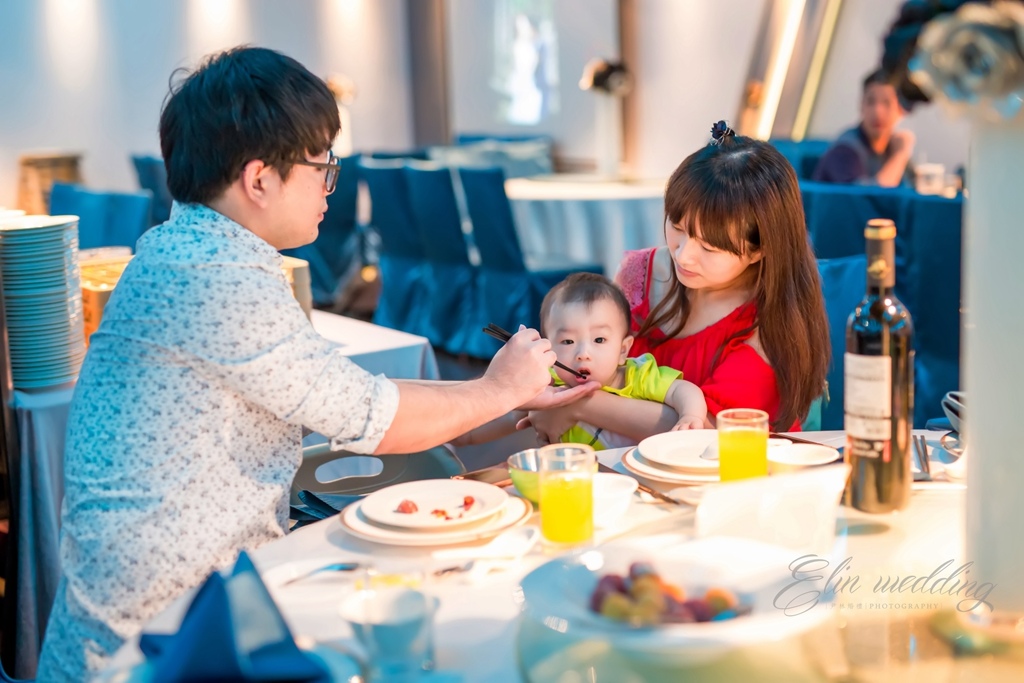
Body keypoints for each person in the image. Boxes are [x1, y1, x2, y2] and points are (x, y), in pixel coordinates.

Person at [36, 46, 597, 681]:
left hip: (186, 608)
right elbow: (374, 419)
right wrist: (497, 389)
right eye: (321, 165)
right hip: (159, 644)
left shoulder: (182, 250)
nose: (332, 183)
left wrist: (493, 392)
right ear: (258, 180)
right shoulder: (217, 279)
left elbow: (344, 392)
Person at [523, 121, 830, 444]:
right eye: (677, 227)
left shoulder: (769, 320)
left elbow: (709, 430)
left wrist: (577, 405)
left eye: (709, 247)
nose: (683, 256)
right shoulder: (638, 273)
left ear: (759, 250)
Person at [457, 273, 707, 450]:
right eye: (567, 342)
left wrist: (691, 415)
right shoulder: (547, 383)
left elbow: (682, 389)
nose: (583, 353)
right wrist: (456, 432)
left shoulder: (637, 375)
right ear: (547, 347)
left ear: (623, 350)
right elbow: (495, 416)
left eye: (599, 340)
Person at [812, 69, 915, 186]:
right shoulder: (845, 149)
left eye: (887, 103)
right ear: (861, 106)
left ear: (901, 110)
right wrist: (900, 155)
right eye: (870, 102)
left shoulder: (893, 145)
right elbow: (868, 198)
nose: (877, 112)